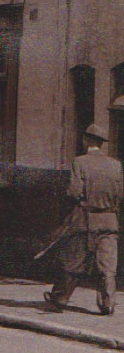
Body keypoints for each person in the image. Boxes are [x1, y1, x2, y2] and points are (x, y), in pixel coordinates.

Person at [44, 123, 123, 315]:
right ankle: (107, 304)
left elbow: (74, 192)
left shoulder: (80, 162)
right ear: (102, 144)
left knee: (74, 261)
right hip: (110, 221)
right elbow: (120, 194)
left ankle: (60, 298)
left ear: (86, 140)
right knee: (107, 264)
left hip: (86, 220)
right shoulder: (116, 165)